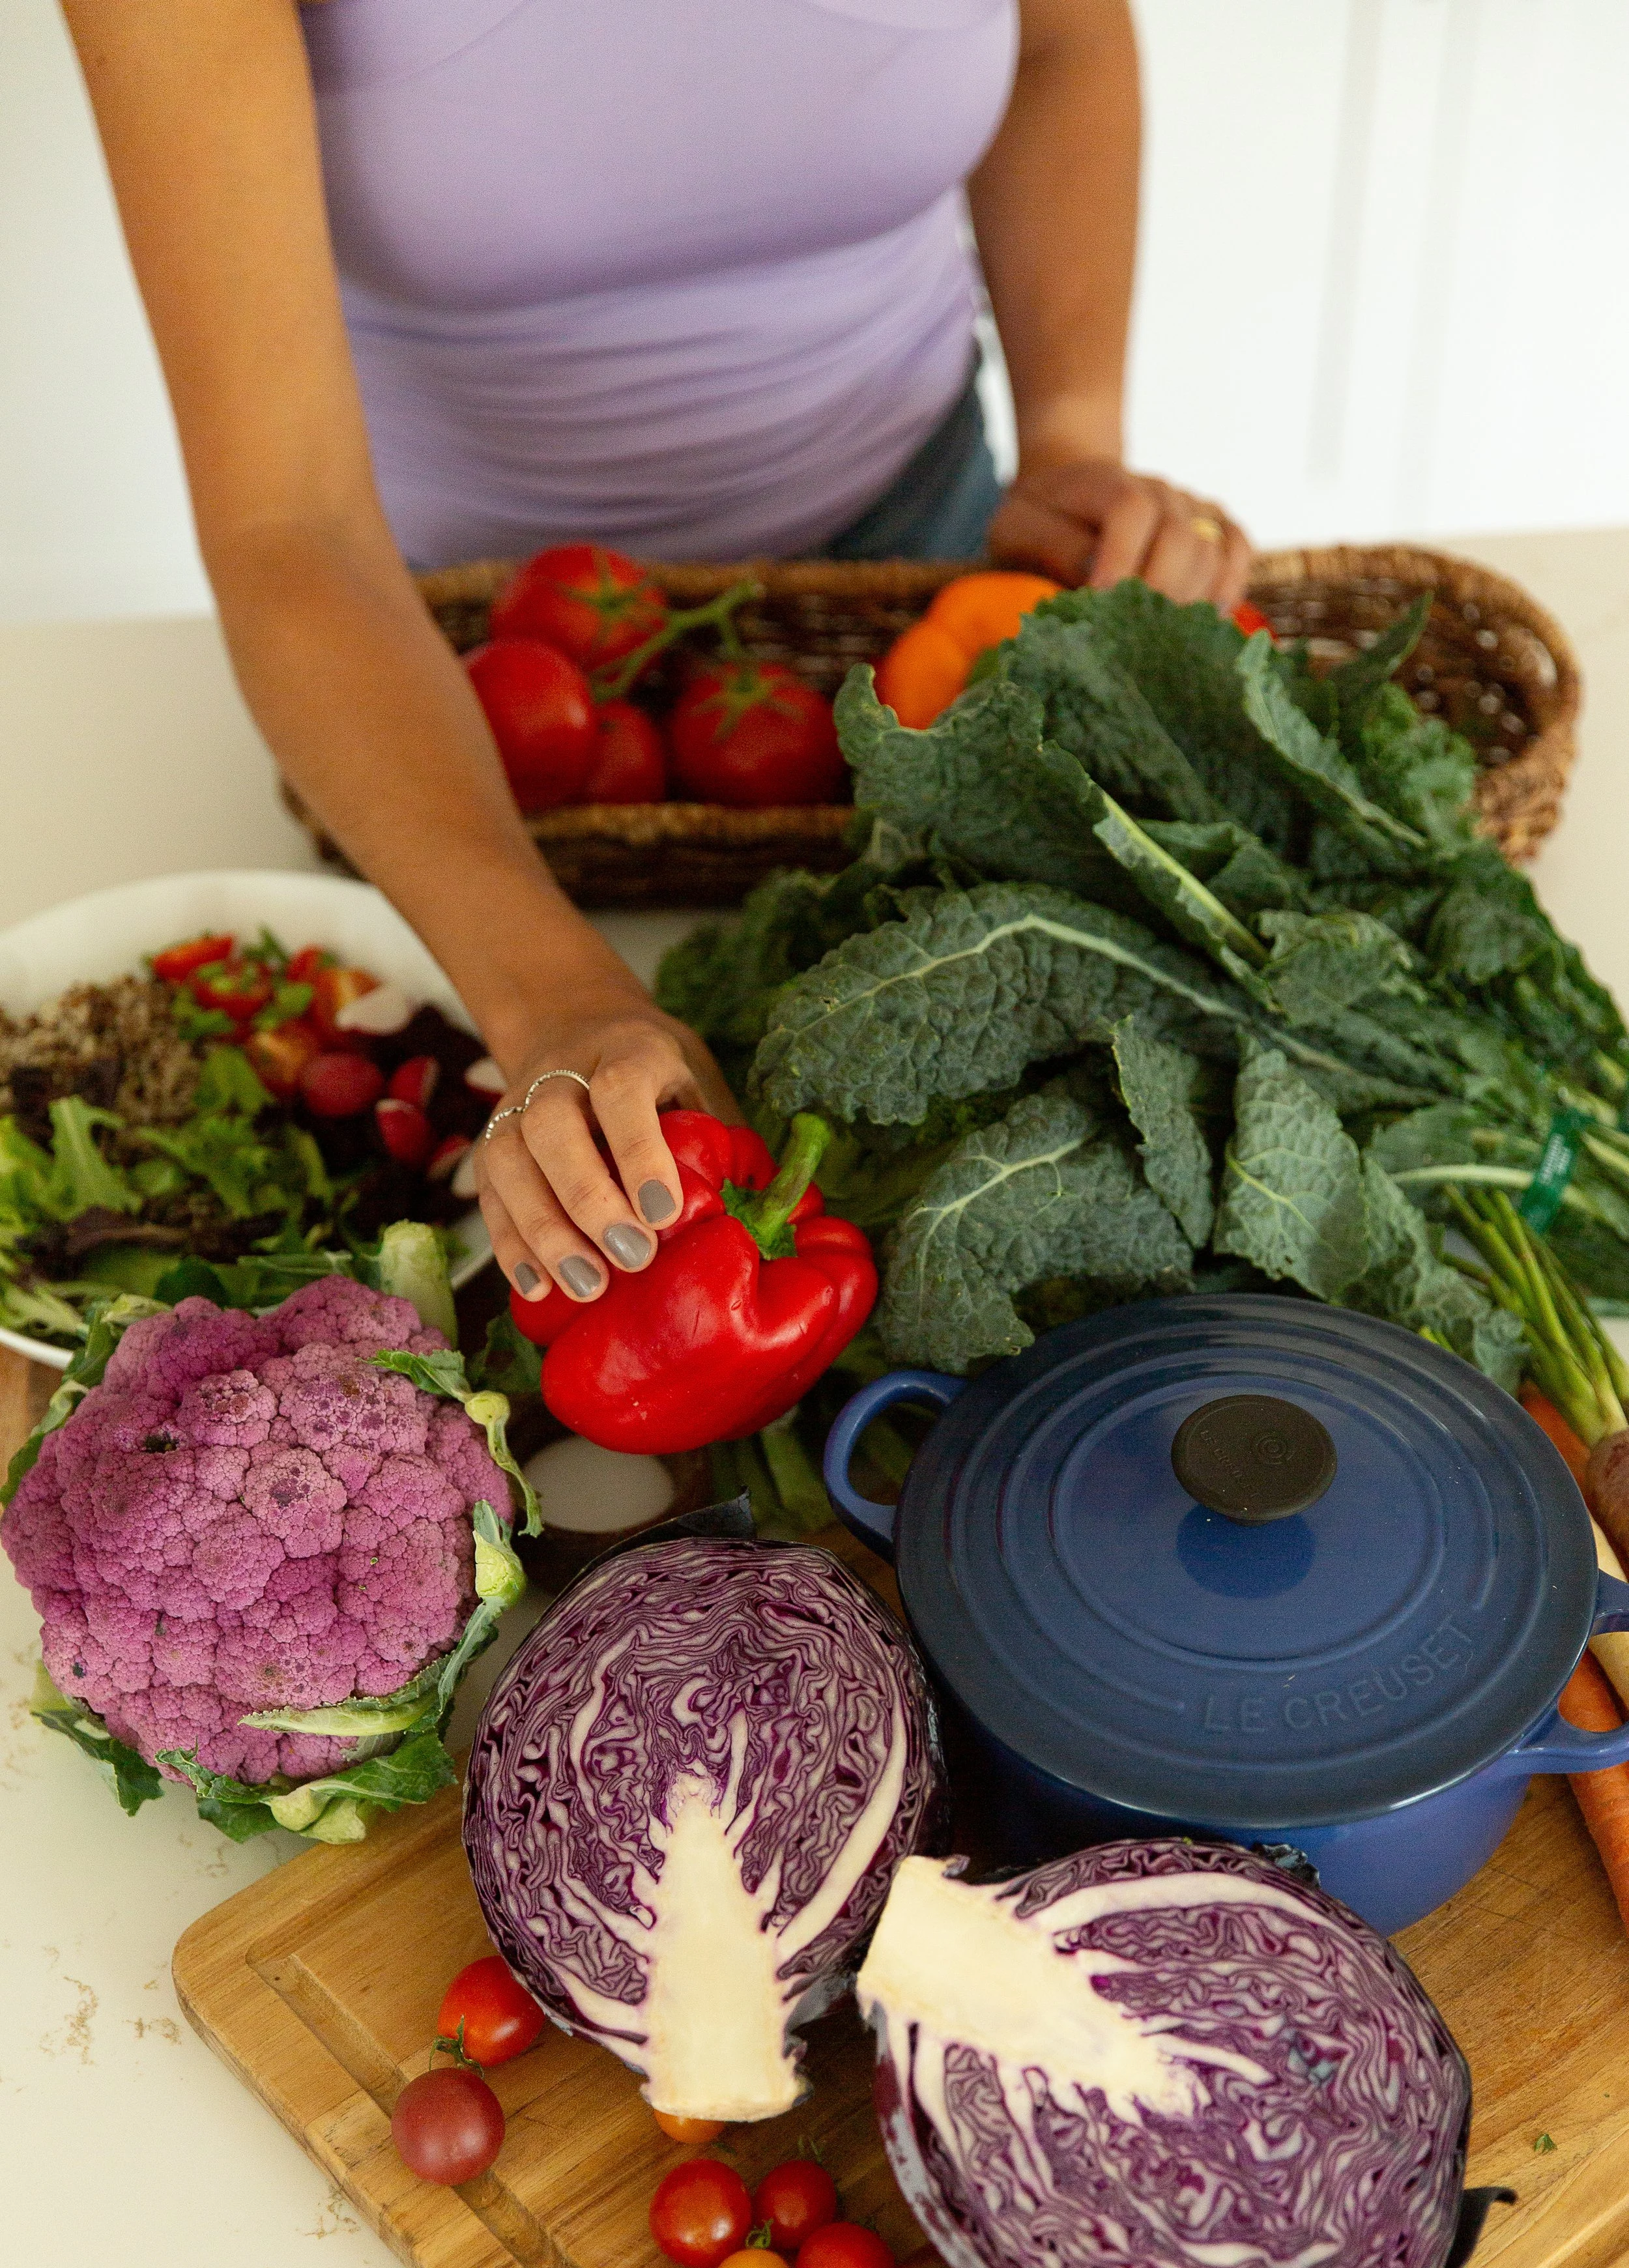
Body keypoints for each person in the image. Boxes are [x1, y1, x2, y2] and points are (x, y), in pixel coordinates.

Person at [65, 0, 1250, 1309]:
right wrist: (557, 1000)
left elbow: (1052, 44)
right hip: (452, 663)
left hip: (917, 570)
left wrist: (1073, 435)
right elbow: (291, 526)